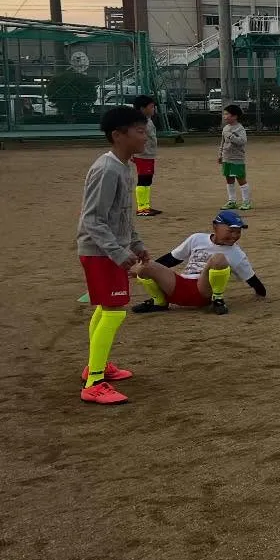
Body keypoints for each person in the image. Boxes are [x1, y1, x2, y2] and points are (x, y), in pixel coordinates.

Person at [76, 106, 152, 405]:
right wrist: (119, 252)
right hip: (100, 252)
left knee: (108, 307)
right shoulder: (107, 169)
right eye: (139, 131)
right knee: (114, 310)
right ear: (118, 136)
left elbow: (122, 215)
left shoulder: (124, 166)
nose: (145, 136)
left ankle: (97, 364)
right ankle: (94, 381)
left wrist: (136, 243)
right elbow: (92, 219)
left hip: (110, 250)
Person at [131, 210, 267, 317]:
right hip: (179, 286)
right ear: (215, 227)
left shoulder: (236, 253)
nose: (234, 236)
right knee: (144, 266)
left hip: (203, 291)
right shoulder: (197, 238)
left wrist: (261, 293)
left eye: (238, 232)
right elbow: (172, 259)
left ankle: (217, 299)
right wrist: (148, 270)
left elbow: (251, 279)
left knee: (218, 258)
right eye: (230, 231)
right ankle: (159, 302)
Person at [218, 104, 251, 211]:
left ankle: (246, 202)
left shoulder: (240, 128)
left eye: (227, 114)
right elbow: (222, 143)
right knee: (229, 179)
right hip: (227, 158)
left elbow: (242, 141)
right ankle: (232, 201)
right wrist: (220, 155)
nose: (225, 116)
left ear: (235, 116)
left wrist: (231, 136)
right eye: (224, 114)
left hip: (237, 158)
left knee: (241, 180)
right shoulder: (225, 128)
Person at [132, 94, 161, 216]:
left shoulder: (147, 121)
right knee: (143, 180)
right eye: (151, 107)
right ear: (142, 108)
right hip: (143, 155)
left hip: (148, 155)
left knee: (147, 180)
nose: (153, 109)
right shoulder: (140, 122)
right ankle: (142, 208)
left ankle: (146, 206)